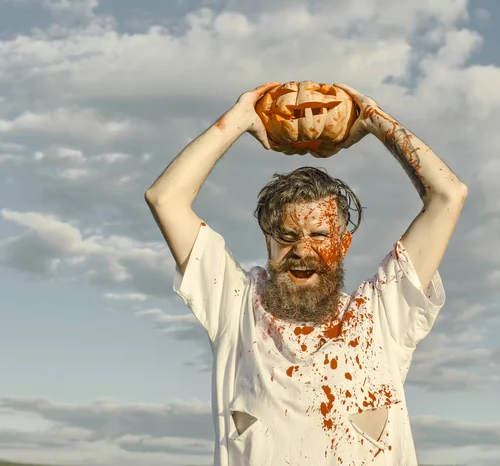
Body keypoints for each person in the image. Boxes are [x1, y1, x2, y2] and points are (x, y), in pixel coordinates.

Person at [145, 81, 468, 466]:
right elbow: (165, 198)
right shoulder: (235, 307)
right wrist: (241, 118)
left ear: (343, 245)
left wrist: (372, 118)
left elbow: (448, 195)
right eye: (287, 235)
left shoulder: (382, 314)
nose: (302, 250)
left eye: (319, 235)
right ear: (269, 242)